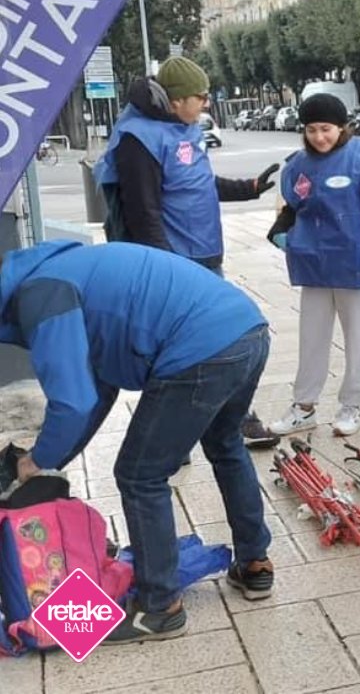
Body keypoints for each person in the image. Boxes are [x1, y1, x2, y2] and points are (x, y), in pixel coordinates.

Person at [0, 240, 275, 642]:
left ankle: (160, 607)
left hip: (199, 347)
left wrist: (34, 460)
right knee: (226, 445)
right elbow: (97, 389)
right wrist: (50, 459)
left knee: (140, 475)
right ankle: (255, 563)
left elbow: (73, 402)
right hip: (245, 328)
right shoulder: (55, 271)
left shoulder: (42, 294)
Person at [94, 57, 280, 449]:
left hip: (206, 255)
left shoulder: (185, 127)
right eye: (200, 96)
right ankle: (221, 426)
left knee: (218, 340)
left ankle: (213, 427)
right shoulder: (138, 138)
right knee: (202, 344)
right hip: (176, 263)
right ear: (175, 100)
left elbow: (196, 183)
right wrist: (166, 271)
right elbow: (142, 211)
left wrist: (248, 187)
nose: (206, 103)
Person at [267, 94, 360, 437]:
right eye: (311, 130)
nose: (319, 137)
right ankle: (304, 406)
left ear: (342, 127)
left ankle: (352, 405)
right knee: (311, 339)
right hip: (314, 265)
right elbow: (294, 208)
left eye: (326, 129)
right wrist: (279, 231)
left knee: (357, 341)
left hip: (355, 266)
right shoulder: (298, 167)